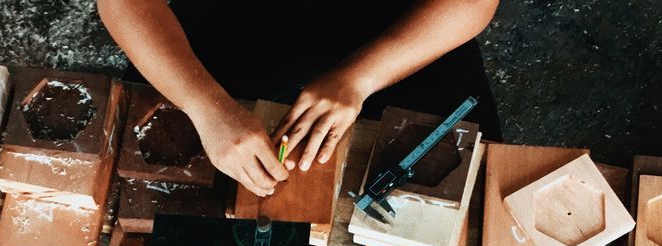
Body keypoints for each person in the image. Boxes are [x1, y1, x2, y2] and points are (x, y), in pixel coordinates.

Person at [98, 0, 502, 198]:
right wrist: (205, 104)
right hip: (225, 31)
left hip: (403, 37)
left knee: (442, 208)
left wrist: (360, 78)